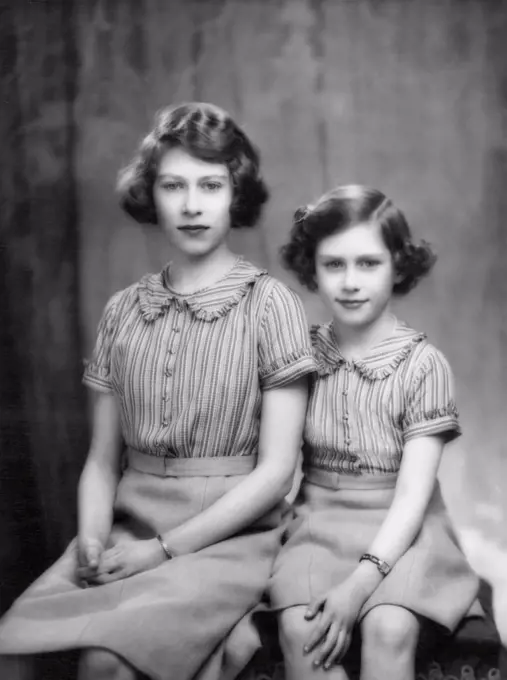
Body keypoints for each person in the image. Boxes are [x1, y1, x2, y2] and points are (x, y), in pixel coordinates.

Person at [0, 102, 316, 680]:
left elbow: (276, 473)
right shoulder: (123, 310)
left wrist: (163, 551)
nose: (192, 204)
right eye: (174, 185)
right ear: (152, 195)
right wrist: (94, 541)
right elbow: (100, 462)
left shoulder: (270, 305)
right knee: (11, 651)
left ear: (235, 194)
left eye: (210, 185)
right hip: (128, 523)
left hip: (231, 535)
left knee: (107, 662)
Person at [270, 184, 481, 680]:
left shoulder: (423, 365)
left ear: (398, 267)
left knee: (389, 627)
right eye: (333, 265)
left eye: (368, 264)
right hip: (317, 526)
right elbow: (274, 463)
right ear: (311, 269)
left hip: (405, 530)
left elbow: (412, 497)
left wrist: (359, 585)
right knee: (304, 630)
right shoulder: (299, 356)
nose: (349, 282)